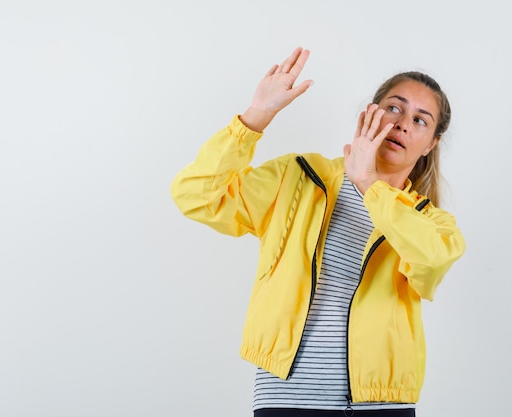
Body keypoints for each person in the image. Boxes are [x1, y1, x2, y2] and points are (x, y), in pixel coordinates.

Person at [171, 47, 466, 417]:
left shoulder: (431, 222)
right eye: (395, 107)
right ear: (370, 113)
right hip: (287, 399)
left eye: (421, 120)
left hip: (382, 406)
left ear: (432, 144)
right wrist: (255, 117)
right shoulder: (299, 177)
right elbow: (195, 196)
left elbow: (432, 262)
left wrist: (369, 185)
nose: (404, 123)